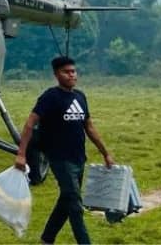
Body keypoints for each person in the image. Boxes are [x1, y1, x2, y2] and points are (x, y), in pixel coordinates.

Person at [15, 56, 115, 244]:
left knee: (66, 201)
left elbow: (89, 127)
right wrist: (21, 154)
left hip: (78, 158)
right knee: (75, 206)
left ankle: (47, 238)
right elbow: (30, 125)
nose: (71, 75)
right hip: (60, 159)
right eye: (66, 72)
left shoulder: (80, 96)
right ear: (56, 74)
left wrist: (105, 152)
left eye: (73, 71)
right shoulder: (50, 97)